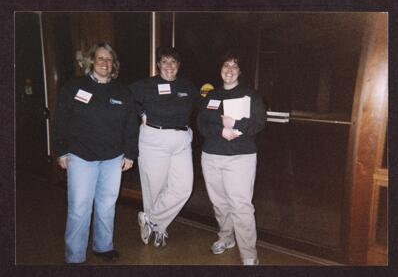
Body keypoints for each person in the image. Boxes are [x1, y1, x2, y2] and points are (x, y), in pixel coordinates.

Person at [52, 42, 139, 264]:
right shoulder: (74, 87)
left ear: (114, 64)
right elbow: (60, 120)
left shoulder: (122, 91)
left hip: (113, 158)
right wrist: (61, 151)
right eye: (100, 58)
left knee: (107, 204)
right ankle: (75, 256)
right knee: (79, 208)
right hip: (81, 157)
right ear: (91, 61)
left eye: (109, 60)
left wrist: (130, 154)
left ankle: (103, 246)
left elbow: (131, 124)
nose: (105, 63)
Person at [197, 51, 266, 265]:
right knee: (219, 203)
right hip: (211, 156)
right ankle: (226, 238)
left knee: (241, 205)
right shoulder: (211, 96)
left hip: (240, 157)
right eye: (225, 66)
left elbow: (259, 121)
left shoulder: (250, 95)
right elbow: (201, 123)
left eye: (234, 66)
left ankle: (248, 254)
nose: (229, 70)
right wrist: (220, 131)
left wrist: (235, 125)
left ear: (240, 71)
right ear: (220, 70)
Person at [129, 47, 201, 248]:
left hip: (181, 139)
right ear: (159, 64)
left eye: (174, 62)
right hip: (154, 138)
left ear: (179, 66)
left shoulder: (186, 86)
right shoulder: (147, 84)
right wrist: (141, 113)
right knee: (155, 188)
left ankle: (151, 219)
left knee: (183, 188)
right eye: (165, 61)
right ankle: (159, 229)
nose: (169, 66)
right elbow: (127, 96)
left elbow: (203, 104)